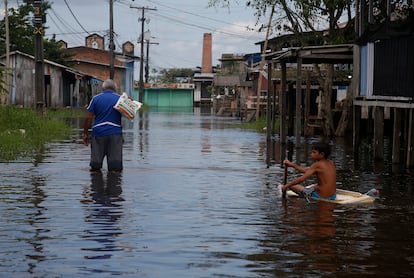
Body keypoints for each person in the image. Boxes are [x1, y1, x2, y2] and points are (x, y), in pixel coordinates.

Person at [83, 79, 123, 173]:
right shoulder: (120, 99)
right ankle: (114, 184)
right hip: (115, 133)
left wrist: (85, 134)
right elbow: (130, 115)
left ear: (103, 88)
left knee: (95, 167)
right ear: (115, 88)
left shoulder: (96, 99)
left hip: (98, 133)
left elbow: (88, 118)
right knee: (115, 168)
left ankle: (96, 185)